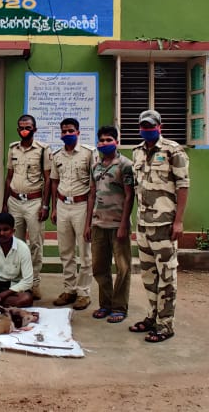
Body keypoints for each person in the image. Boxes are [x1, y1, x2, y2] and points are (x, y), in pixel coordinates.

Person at [129, 110, 190, 343]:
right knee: (148, 275)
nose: (147, 130)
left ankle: (166, 325)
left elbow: (183, 187)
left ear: (159, 126)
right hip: (143, 223)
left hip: (165, 224)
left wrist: (179, 221)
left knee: (166, 275)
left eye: (151, 126)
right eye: (143, 126)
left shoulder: (173, 151)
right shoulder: (137, 152)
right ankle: (153, 316)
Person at [84, 125, 136, 324]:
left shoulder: (125, 165)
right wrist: (88, 224)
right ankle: (105, 304)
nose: (104, 143)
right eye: (101, 140)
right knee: (99, 267)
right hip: (98, 224)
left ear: (116, 141)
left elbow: (129, 195)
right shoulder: (95, 166)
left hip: (117, 225)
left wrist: (124, 225)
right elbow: (92, 195)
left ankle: (119, 307)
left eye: (108, 140)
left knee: (123, 267)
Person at [1, 114, 51, 301]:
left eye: (28, 127)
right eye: (21, 127)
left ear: (34, 129)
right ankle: (18, 281)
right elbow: (8, 177)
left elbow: (47, 180)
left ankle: (34, 282)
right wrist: (4, 203)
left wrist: (45, 205)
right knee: (16, 244)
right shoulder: (13, 149)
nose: (25, 130)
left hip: (34, 202)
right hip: (14, 201)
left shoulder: (43, 150)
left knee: (35, 244)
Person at [49, 117, 97, 311]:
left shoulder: (88, 154)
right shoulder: (57, 155)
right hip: (62, 205)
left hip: (81, 206)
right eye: (64, 131)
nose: (67, 134)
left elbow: (94, 186)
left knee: (84, 252)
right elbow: (54, 181)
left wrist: (91, 217)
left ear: (78, 132)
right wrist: (53, 207)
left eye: (70, 131)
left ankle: (84, 293)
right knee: (65, 251)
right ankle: (69, 289)